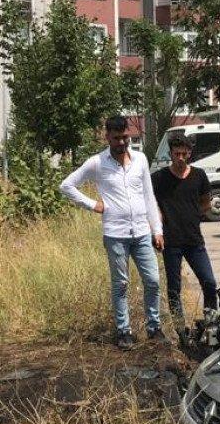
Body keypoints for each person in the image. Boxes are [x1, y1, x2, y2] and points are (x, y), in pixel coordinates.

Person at [60, 115, 165, 350]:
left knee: (153, 280)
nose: (121, 142)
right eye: (116, 138)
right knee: (121, 284)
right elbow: (66, 185)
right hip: (115, 234)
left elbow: (149, 196)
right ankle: (123, 331)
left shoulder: (140, 160)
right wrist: (92, 204)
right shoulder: (97, 162)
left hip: (141, 232)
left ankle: (154, 327)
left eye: (125, 137)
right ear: (107, 137)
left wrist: (156, 229)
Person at [152, 134, 219, 329]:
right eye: (176, 154)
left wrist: (194, 216)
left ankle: (211, 321)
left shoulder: (199, 176)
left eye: (183, 153)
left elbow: (206, 202)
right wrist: (158, 224)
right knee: (174, 289)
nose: (180, 157)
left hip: (194, 241)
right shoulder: (159, 178)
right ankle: (180, 329)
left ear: (189, 153)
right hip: (170, 242)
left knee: (209, 281)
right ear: (171, 154)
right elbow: (150, 203)